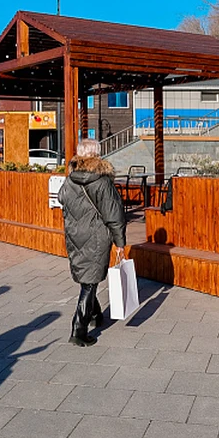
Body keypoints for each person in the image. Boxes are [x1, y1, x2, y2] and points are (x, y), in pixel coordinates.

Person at [57, 138, 126, 347]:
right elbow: (114, 214)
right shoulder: (101, 180)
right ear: (96, 154)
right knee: (89, 283)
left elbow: (61, 198)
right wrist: (120, 242)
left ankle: (95, 314)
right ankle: (78, 329)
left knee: (89, 277)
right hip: (95, 236)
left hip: (74, 234)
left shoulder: (70, 178)